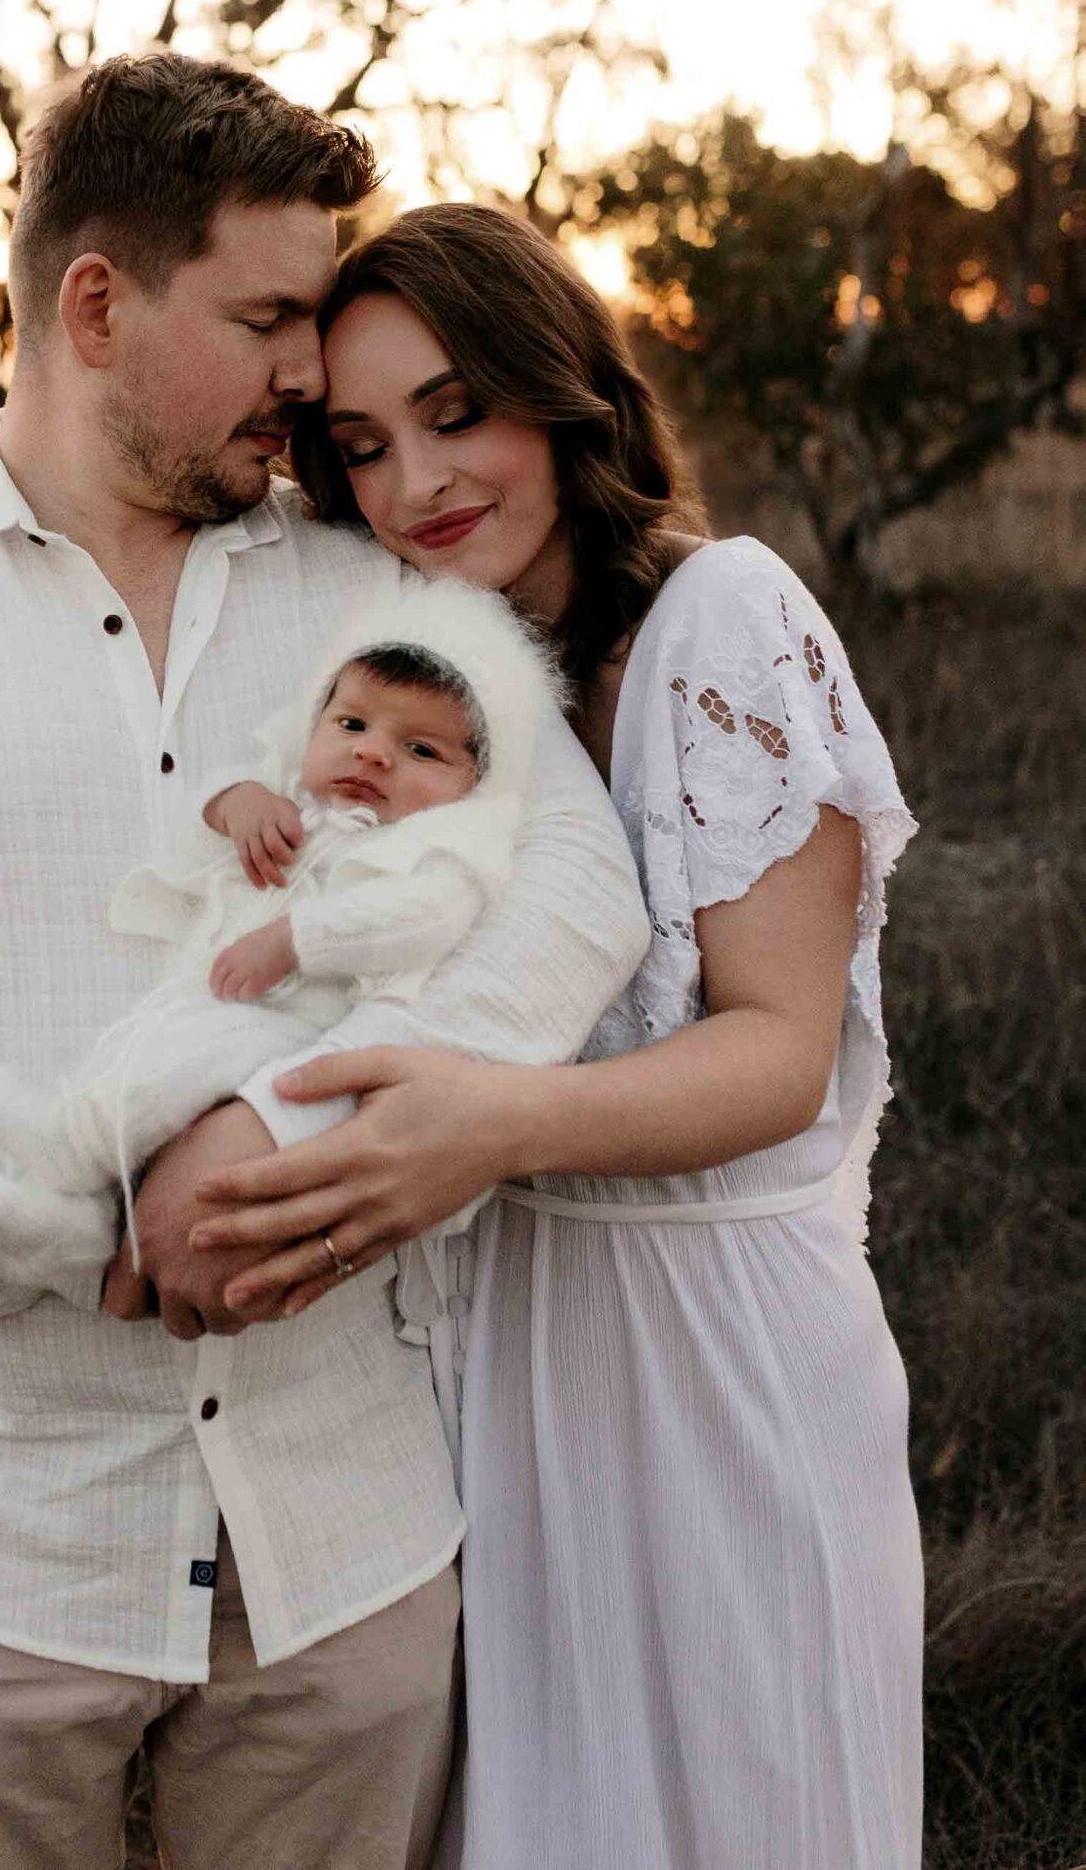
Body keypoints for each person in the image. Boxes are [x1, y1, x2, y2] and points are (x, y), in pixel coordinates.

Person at [0, 61, 649, 1870]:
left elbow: (571, 885)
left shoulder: (369, 585)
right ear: (97, 305)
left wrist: (278, 1136)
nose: (308, 367)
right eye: (267, 314)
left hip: (342, 1549)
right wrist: (106, 1229)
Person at [185, 202, 925, 1870]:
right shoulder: (478, 678)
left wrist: (489, 1125)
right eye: (362, 447)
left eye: (457, 414)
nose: (415, 485)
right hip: (513, 1351)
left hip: (719, 1358)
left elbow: (777, 1049)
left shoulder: (722, 618)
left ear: (560, 385)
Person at [0, 576, 569, 1295]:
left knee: (170, 1070)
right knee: (139, 1044)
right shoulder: (294, 792)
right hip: (225, 998)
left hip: (307, 1023)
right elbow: (230, 780)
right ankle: (80, 1224)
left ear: (476, 780)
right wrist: (238, 805)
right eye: (352, 726)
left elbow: (423, 917)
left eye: (422, 750)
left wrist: (299, 938)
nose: (373, 756)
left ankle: (75, 1145)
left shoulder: (452, 844)